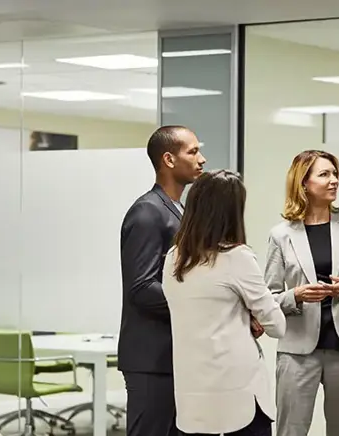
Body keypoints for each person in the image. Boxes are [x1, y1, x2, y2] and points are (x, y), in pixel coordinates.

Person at [264, 150, 339, 436]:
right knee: (291, 430)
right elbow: (269, 298)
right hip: (297, 350)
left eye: (335, 174)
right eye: (324, 174)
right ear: (303, 183)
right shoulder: (281, 234)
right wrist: (297, 295)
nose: (334, 181)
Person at [163, 169, 286, 436]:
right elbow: (277, 325)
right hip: (238, 393)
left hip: (192, 396)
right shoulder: (237, 257)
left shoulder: (173, 258)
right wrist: (251, 315)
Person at [117, 125, 206, 436]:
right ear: (168, 159)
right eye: (193, 151)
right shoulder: (147, 213)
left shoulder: (178, 210)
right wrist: (199, 304)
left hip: (174, 355)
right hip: (151, 360)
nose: (202, 159)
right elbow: (141, 288)